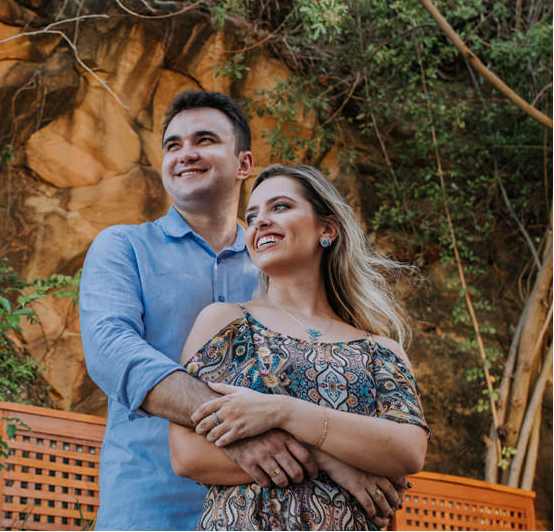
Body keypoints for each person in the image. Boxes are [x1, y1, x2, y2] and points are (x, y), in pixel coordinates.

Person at [80, 92, 405, 530]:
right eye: (173, 145)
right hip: (148, 508)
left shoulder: (281, 260)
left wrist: (342, 448)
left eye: (205, 139)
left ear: (243, 164)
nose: (185, 154)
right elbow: (111, 351)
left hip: (267, 515)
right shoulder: (124, 247)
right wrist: (262, 436)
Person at [169, 164, 429, 530]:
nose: (259, 222)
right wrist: (331, 459)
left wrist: (282, 412)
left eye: (279, 207)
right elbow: (188, 455)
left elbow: (407, 451)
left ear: (327, 229)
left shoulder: (380, 350)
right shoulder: (226, 323)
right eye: (252, 215)